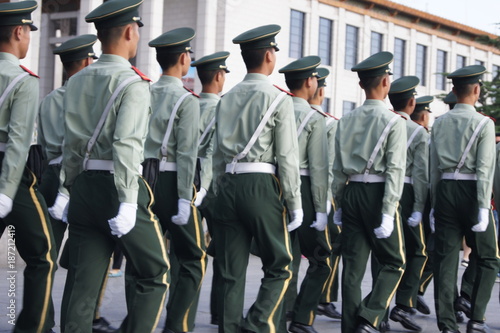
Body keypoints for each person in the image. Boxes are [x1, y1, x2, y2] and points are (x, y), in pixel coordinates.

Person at [60, 0, 169, 331]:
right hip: (116, 185)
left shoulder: (77, 80)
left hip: (83, 187)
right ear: (129, 31)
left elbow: (71, 143)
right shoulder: (133, 83)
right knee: (155, 272)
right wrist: (127, 199)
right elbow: (127, 144)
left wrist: (67, 188)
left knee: (82, 282)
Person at [212, 24, 303, 333]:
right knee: (280, 265)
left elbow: (214, 154)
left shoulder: (226, 97)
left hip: (226, 183)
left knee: (228, 271)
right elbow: (288, 157)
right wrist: (294, 201)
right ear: (268, 55)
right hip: (260, 186)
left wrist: (215, 190)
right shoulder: (279, 100)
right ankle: (257, 322)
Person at [38, 33, 118, 333]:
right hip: (82, 177)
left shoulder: (48, 100)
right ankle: (87, 316)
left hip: (51, 174)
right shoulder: (90, 98)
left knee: (46, 259)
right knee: (90, 255)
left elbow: (47, 147)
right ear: (87, 62)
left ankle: (42, 320)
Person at [332, 51, 407, 333]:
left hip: (351, 193)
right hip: (378, 194)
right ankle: (371, 315)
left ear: (362, 85)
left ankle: (352, 328)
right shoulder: (394, 121)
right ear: (386, 82)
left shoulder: (346, 119)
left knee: (352, 268)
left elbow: (337, 167)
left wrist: (339, 203)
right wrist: (389, 211)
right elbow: (395, 170)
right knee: (394, 261)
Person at [0, 2, 57, 332]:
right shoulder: (23, 80)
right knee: (42, 255)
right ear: (19, 32)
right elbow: (19, 142)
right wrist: (7, 193)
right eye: (28, 33)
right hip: (13, 176)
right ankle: (33, 328)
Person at [145, 27, 207, 333]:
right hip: (172, 183)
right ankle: (178, 325)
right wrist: (185, 196)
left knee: (142, 259)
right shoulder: (186, 100)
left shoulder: (143, 91)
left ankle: (138, 323)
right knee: (193, 257)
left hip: (143, 180)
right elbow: (187, 155)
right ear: (184, 59)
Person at [430, 64, 500, 333]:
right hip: (473, 192)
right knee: (489, 258)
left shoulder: (440, 123)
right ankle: (477, 318)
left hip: (446, 190)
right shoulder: (484, 124)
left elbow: (434, 167)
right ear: (477, 90)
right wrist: (483, 207)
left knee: (445, 260)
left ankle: (447, 324)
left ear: (453, 91)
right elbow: (484, 169)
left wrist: (435, 205)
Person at [279, 56, 331, 333]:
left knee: (285, 256)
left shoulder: (277, 107)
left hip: (276, 187)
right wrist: (321, 209)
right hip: (306, 190)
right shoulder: (315, 118)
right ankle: (302, 316)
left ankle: (283, 309)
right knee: (321, 258)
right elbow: (319, 168)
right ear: (311, 82)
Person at [190, 50, 231, 326]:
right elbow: (218, 154)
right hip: (215, 187)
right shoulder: (223, 110)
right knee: (224, 253)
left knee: (186, 254)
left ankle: (183, 311)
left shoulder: (188, 104)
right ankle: (220, 312)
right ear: (219, 75)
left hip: (188, 182)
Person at [387, 76, 429, 332]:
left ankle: (379, 311)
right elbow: (423, 174)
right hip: (409, 191)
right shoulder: (418, 131)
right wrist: (420, 207)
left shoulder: (384, 122)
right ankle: (403, 303)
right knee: (419, 250)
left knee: (385, 251)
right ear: (412, 103)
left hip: (382, 189)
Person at [309, 68, 342, 321]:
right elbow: (330, 165)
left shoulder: (291, 113)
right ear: (321, 90)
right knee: (330, 247)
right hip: (322, 192)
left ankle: (288, 302)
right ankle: (324, 297)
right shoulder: (329, 122)